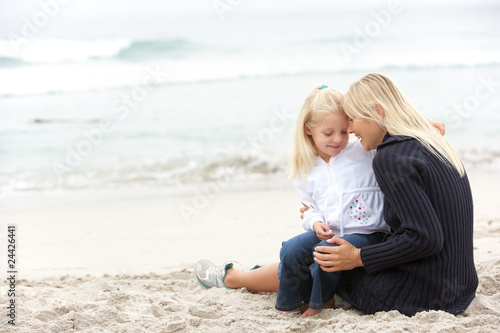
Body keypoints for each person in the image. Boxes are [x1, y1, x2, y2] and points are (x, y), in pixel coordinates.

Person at [196, 75, 463, 317]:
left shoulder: (365, 150)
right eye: (329, 132)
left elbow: (386, 126)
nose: (341, 138)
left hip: (369, 236)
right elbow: (310, 205)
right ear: (308, 130)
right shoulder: (306, 167)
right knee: (295, 251)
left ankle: (238, 278)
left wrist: (420, 123)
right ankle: (259, 287)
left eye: (347, 129)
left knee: (323, 259)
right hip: (336, 232)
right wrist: (313, 220)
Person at [310, 73, 478, 316]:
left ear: (378, 110)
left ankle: (239, 277)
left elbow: (425, 238)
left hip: (422, 294)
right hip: (460, 284)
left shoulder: (391, 157)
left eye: (353, 119)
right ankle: (241, 276)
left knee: (323, 263)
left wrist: (358, 257)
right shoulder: (432, 141)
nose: (350, 128)